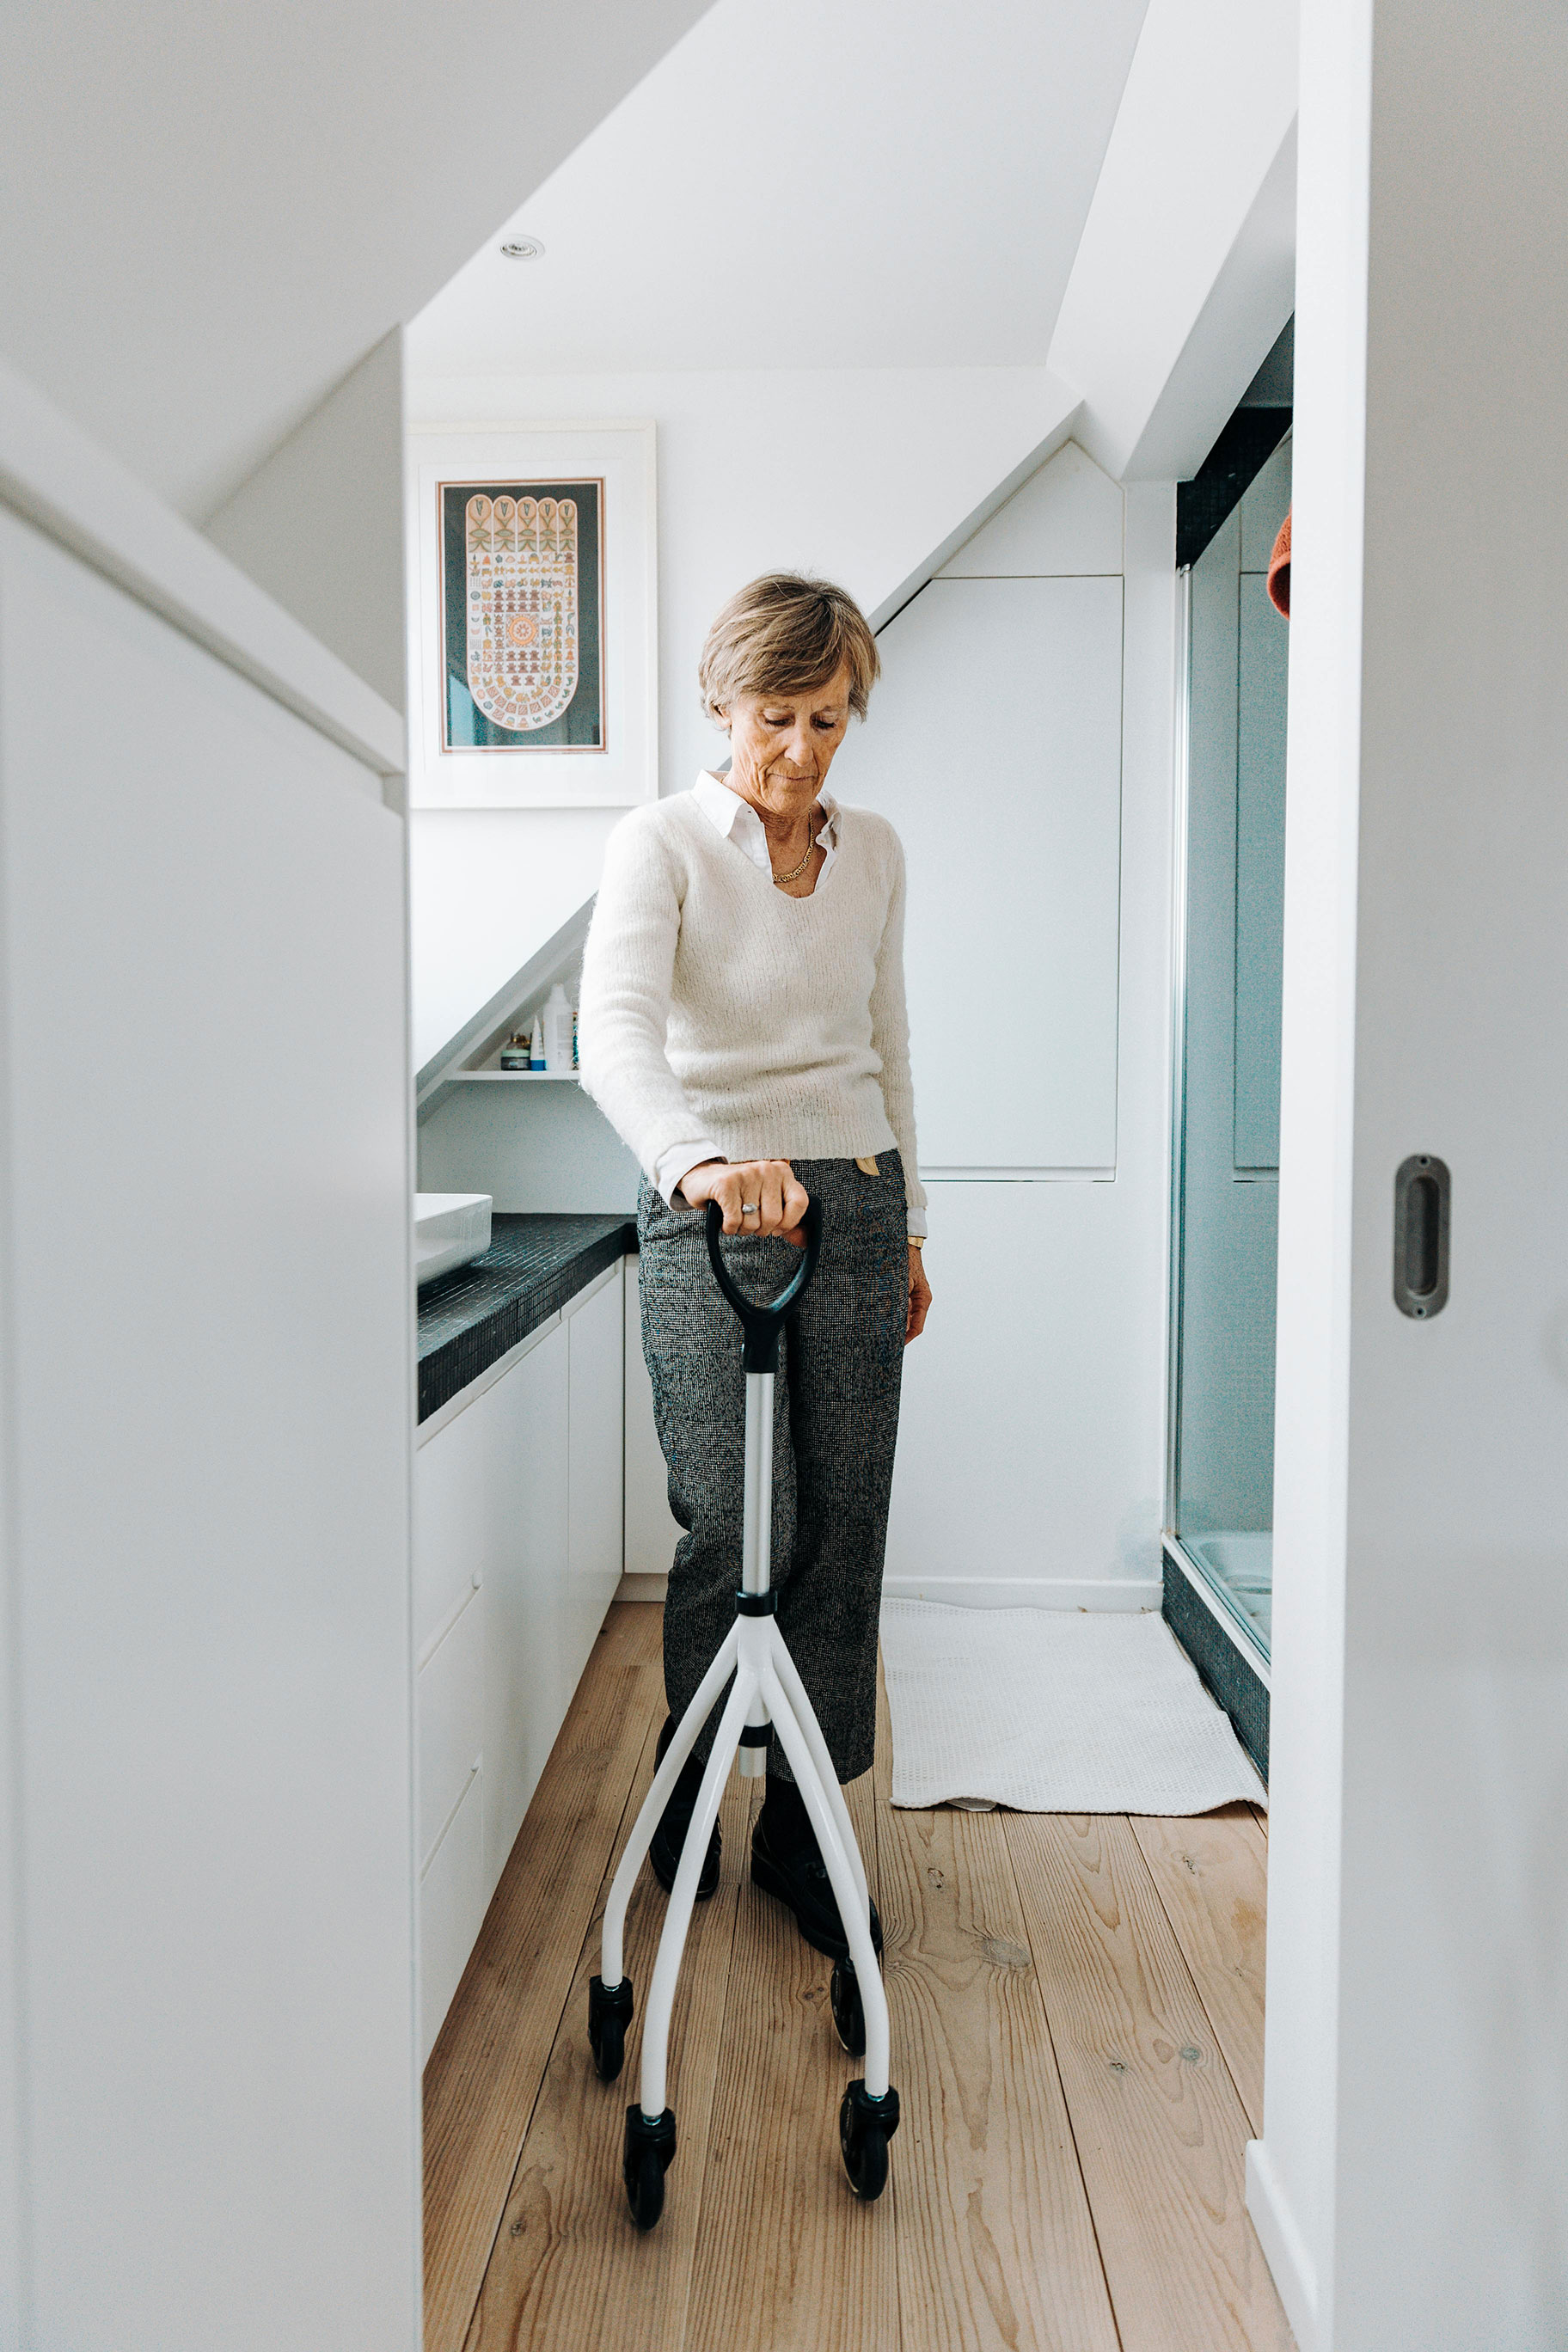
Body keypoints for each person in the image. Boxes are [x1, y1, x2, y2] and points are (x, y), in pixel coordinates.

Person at [578, 572, 930, 1963]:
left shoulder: (880, 851)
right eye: (776, 717)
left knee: (843, 1518)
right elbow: (614, 1035)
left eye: (829, 720)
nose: (799, 750)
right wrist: (703, 1166)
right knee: (727, 1515)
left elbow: (892, 1045)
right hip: (707, 1200)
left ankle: (799, 1817)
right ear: (724, 704)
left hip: (850, 1192)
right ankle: (689, 1772)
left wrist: (910, 1228)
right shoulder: (660, 842)